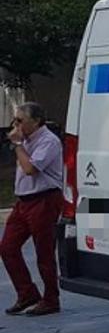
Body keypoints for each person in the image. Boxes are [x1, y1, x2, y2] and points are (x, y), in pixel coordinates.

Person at [2, 102, 65, 315]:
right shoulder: (26, 140)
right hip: (24, 201)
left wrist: (18, 145)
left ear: (36, 121)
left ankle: (51, 299)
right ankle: (26, 292)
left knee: (44, 252)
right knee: (7, 247)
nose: (16, 124)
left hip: (44, 200)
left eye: (21, 120)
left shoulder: (49, 141)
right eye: (15, 120)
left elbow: (30, 169)